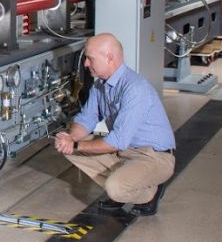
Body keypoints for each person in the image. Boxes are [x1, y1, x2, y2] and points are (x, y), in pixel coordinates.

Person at [53, 33, 176, 216]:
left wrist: (77, 144)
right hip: (124, 152)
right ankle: (128, 181)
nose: (86, 64)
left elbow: (117, 141)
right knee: (66, 147)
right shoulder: (100, 85)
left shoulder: (135, 89)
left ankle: (149, 193)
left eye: (90, 58)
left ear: (109, 58)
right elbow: (86, 119)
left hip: (153, 157)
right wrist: (70, 138)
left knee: (115, 188)